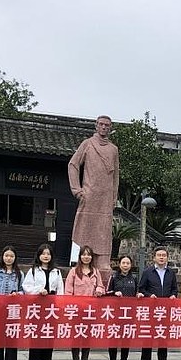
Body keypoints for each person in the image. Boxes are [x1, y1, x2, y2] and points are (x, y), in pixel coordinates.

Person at [68, 115, 119, 286]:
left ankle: (103, 260)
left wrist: (114, 196)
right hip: (89, 194)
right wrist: (77, 189)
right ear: (96, 125)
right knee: (86, 227)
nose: (104, 127)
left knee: (104, 229)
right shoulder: (87, 144)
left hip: (106, 198)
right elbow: (73, 165)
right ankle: (84, 260)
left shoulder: (113, 149)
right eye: (101, 124)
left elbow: (116, 176)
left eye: (107, 125)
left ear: (110, 128)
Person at [23, 243, 65, 360]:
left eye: (48, 254)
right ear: (39, 255)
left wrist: (60, 306)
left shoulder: (56, 271)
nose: (46, 256)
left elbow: (60, 290)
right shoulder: (33, 270)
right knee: (36, 335)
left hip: (51, 307)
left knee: (48, 335)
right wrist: (38, 290)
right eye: (43, 253)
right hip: (37, 306)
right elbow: (26, 287)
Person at [65, 245, 106, 360]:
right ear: (80, 256)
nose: (86, 257)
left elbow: (101, 286)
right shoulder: (73, 271)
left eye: (88, 255)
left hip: (90, 311)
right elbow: (68, 291)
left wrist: (99, 290)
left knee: (87, 338)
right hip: (76, 310)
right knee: (76, 337)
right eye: (84, 254)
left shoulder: (95, 272)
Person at [137, 246, 179, 360]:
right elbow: (141, 288)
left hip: (165, 311)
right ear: (154, 257)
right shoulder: (147, 272)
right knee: (148, 337)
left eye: (164, 255)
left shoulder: (171, 273)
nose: (161, 257)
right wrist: (149, 295)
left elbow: (174, 289)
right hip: (151, 310)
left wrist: (173, 295)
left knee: (163, 338)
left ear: (167, 258)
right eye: (159, 255)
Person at [107, 255, 137, 360]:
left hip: (129, 314)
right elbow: (107, 292)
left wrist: (139, 295)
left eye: (128, 263)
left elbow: (137, 292)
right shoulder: (114, 277)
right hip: (115, 313)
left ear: (131, 265)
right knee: (113, 339)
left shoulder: (134, 278)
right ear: (119, 264)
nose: (125, 265)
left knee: (126, 339)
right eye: (123, 263)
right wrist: (114, 293)